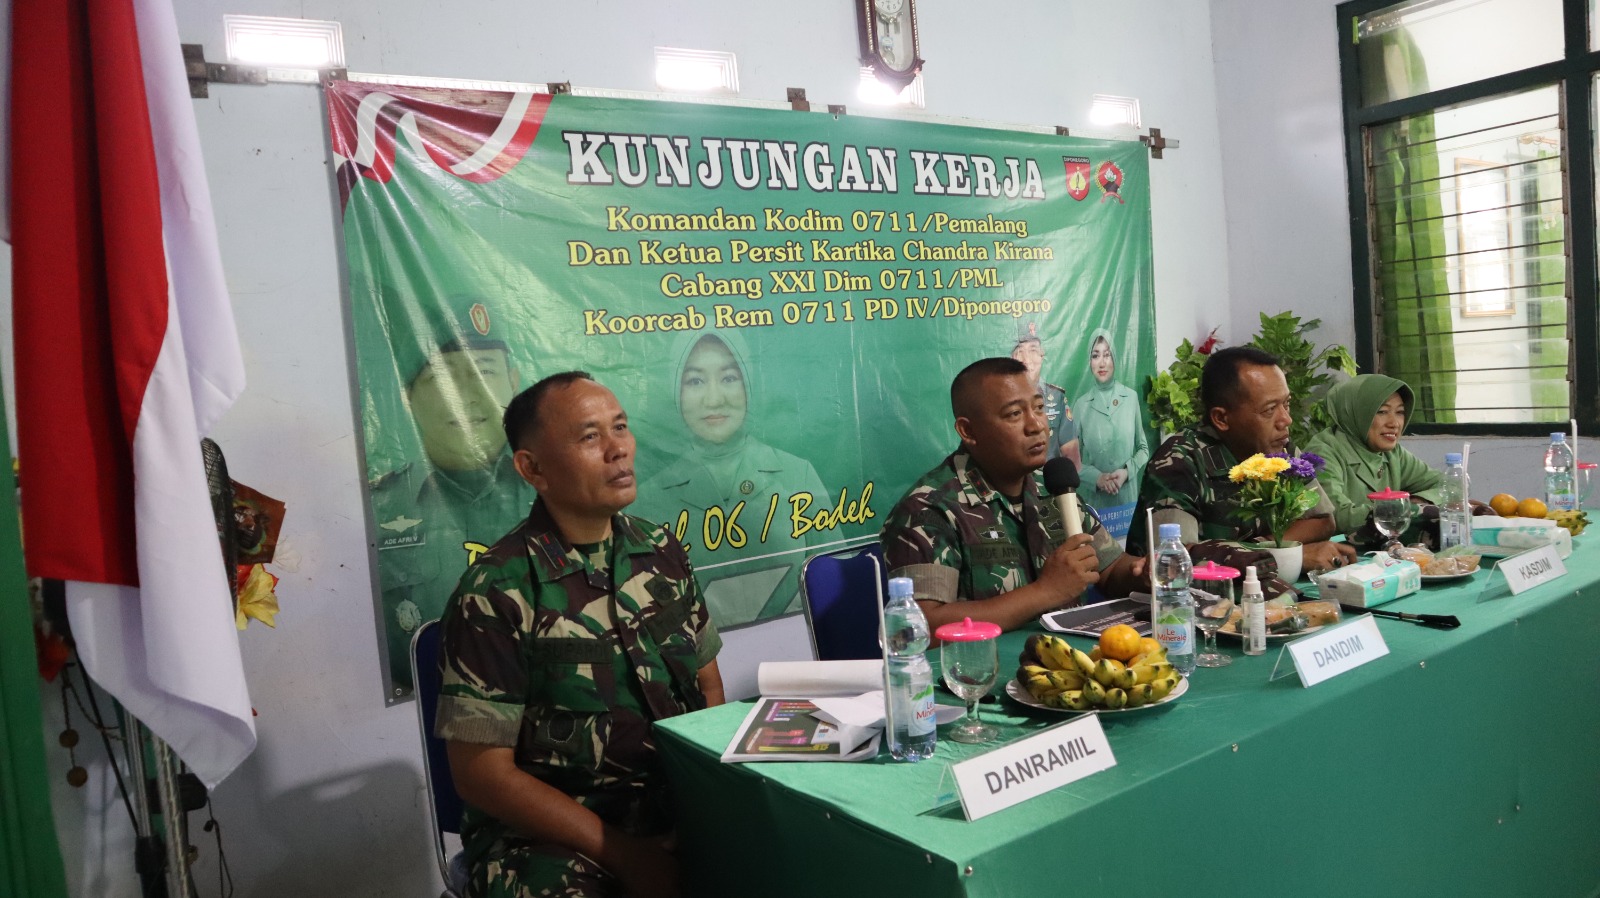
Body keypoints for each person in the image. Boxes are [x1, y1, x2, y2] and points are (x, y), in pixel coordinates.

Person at [437, 371, 725, 898]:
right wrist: (626, 855)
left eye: (621, 427)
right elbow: (482, 775)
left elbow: (708, 686)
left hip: (672, 810)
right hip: (553, 837)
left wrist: (702, 812)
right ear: (533, 468)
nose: (618, 450)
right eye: (590, 437)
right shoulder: (498, 590)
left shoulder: (661, 551)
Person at [881, 357, 1147, 633]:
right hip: (982, 671)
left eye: (1039, 408)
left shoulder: (1052, 488)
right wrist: (1045, 592)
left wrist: (1145, 572)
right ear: (968, 431)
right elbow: (920, 626)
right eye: (1014, 414)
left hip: (1070, 665)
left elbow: (1111, 568)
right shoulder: (928, 510)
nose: (1037, 426)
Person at [367, 294, 535, 698]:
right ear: (408, 397)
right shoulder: (375, 512)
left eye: (483, 371)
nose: (467, 394)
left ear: (513, 383)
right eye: (442, 377)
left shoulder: (562, 491)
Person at [635, 332, 831, 625]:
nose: (714, 399)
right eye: (695, 381)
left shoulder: (798, 475)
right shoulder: (646, 502)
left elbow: (835, 588)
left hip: (797, 663)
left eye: (728, 378)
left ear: (748, 384)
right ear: (676, 391)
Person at [1129, 346, 1357, 581]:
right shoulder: (1178, 462)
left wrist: (1262, 548)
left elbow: (1322, 520)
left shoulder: (1279, 450)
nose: (1286, 420)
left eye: (1286, 404)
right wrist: (1284, 558)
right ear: (1221, 418)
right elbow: (1178, 562)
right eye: (1269, 409)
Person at [1303, 374, 1443, 535]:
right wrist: (1401, 508)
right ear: (1355, 412)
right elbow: (1335, 517)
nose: (1394, 423)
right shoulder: (1322, 452)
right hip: (1340, 554)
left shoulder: (1393, 453)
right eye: (1382, 412)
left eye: (1400, 412)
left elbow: (1450, 485)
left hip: (1382, 553)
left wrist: (1418, 501)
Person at [1073, 328, 1150, 510]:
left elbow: (1143, 449)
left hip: (1126, 502)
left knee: (1128, 539)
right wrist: (1097, 478)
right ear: (1089, 362)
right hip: (1095, 503)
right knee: (1099, 540)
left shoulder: (1130, 398)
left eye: (1106, 355)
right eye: (1095, 356)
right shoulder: (1081, 405)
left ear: (1114, 359)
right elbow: (1072, 462)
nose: (1101, 363)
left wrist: (1126, 472)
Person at [1010, 322, 1081, 468]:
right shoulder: (1003, 399)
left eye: (1033, 350)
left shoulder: (1056, 397)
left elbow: (1072, 456)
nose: (1027, 358)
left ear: (1042, 355)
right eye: (1020, 351)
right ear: (1012, 357)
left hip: (1049, 485)